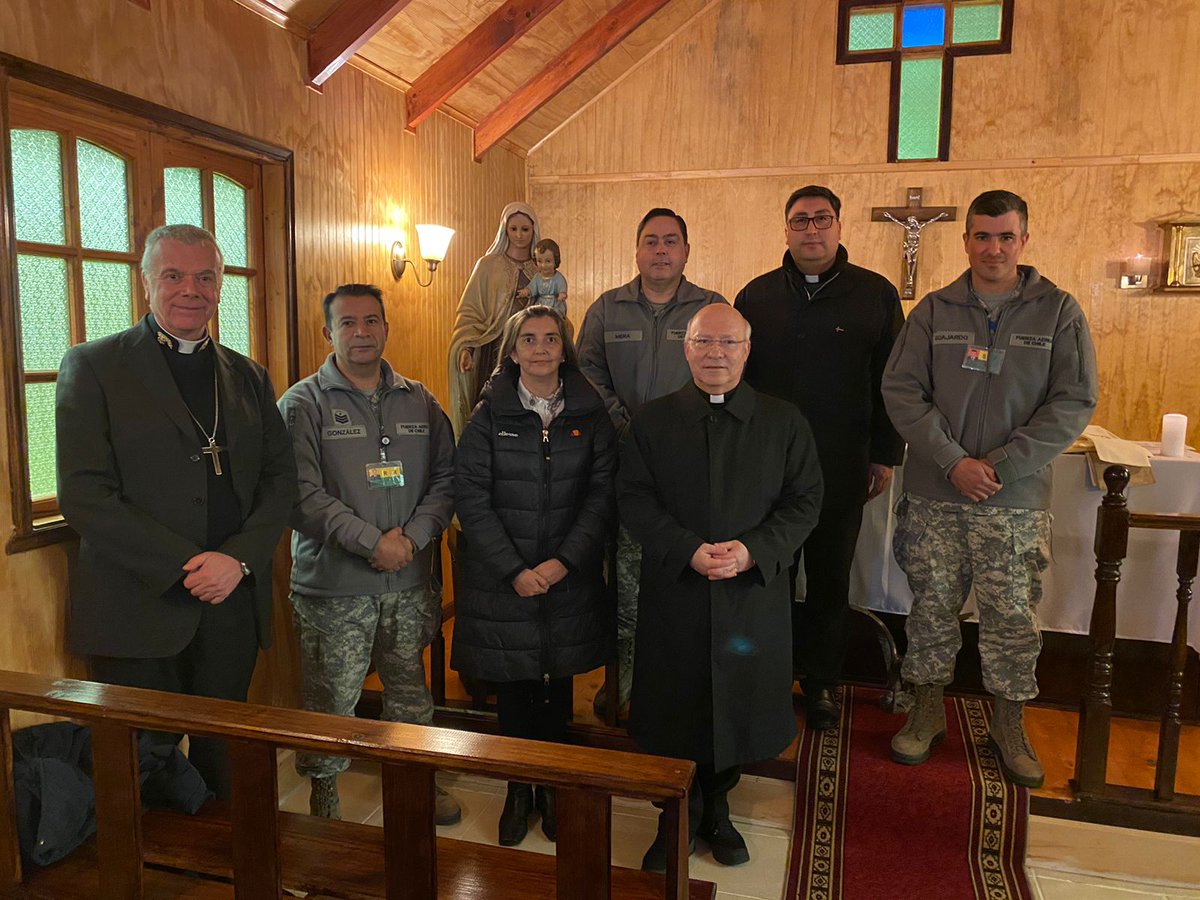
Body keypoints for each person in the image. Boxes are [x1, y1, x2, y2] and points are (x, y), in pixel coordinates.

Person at [55, 223, 296, 799]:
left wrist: (236, 561)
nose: (191, 290)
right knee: (137, 770)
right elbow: (83, 493)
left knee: (226, 759)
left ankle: (229, 875)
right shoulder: (94, 366)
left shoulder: (248, 376)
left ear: (220, 286)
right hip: (136, 602)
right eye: (174, 276)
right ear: (146, 284)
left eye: (205, 277)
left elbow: (280, 478)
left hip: (230, 601)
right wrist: (190, 564)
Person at [882, 190, 1098, 787]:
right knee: (930, 608)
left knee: (1012, 617)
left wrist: (999, 465)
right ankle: (926, 713)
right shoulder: (935, 310)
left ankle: (1008, 723)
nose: (993, 248)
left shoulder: (1057, 312)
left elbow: (1073, 401)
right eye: (982, 236)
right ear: (966, 240)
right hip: (935, 494)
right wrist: (953, 461)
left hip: (1013, 501)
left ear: (1024, 239)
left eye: (1005, 236)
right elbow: (901, 391)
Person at [619, 304, 823, 871]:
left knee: (738, 701)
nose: (716, 353)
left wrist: (753, 550)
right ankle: (673, 815)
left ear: (747, 350)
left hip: (749, 592)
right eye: (704, 341)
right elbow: (633, 497)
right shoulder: (653, 421)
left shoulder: (784, 422)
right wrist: (686, 547)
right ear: (685, 348)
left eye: (728, 343)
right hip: (677, 589)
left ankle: (718, 809)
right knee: (676, 700)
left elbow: (805, 500)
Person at [278, 283, 459, 823]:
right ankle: (324, 799)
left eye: (372, 321)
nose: (362, 332)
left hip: (408, 583)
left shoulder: (420, 400)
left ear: (386, 327)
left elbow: (447, 480)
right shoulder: (301, 404)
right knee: (332, 700)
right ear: (327, 332)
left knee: (410, 694)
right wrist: (371, 542)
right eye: (349, 323)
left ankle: (415, 787)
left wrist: (412, 539)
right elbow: (299, 494)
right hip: (335, 588)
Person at [735, 185, 904, 731]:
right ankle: (770, 675)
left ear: (838, 226)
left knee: (831, 577)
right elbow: (738, 382)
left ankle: (823, 682)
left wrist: (883, 454)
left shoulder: (874, 294)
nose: (811, 230)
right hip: (767, 468)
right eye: (800, 221)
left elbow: (890, 384)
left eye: (821, 219)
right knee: (771, 574)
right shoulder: (755, 298)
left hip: (842, 461)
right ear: (785, 229)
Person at [453, 305, 616, 847]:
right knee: (517, 687)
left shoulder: (590, 413)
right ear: (513, 349)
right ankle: (517, 789)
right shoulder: (487, 416)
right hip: (506, 578)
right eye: (529, 339)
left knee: (559, 684)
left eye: (551, 339)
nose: (541, 348)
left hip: (568, 574)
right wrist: (515, 569)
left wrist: (562, 562)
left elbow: (602, 494)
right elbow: (471, 500)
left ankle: (552, 788)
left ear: (564, 347)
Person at [576, 208, 727, 716]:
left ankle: (678, 684)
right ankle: (622, 681)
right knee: (623, 580)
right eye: (651, 241)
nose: (661, 250)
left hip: (692, 468)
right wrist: (628, 425)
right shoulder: (606, 310)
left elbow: (723, 371)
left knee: (684, 577)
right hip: (622, 466)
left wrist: (671, 431)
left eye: (670, 241)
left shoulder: (710, 308)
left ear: (687, 250)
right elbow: (587, 375)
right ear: (636, 250)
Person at [447, 201, 541, 436]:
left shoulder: (542, 269)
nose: (519, 235)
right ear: (505, 230)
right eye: (513, 229)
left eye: (525, 229)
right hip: (495, 349)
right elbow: (470, 310)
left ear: (534, 231)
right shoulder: (488, 266)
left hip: (533, 349)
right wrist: (466, 346)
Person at [527, 238, 568, 316]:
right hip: (540, 303)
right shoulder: (537, 277)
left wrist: (562, 294)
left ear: (555, 261)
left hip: (554, 304)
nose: (543, 265)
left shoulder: (558, 278)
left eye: (548, 261)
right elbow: (532, 287)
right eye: (539, 261)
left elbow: (562, 288)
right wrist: (527, 291)